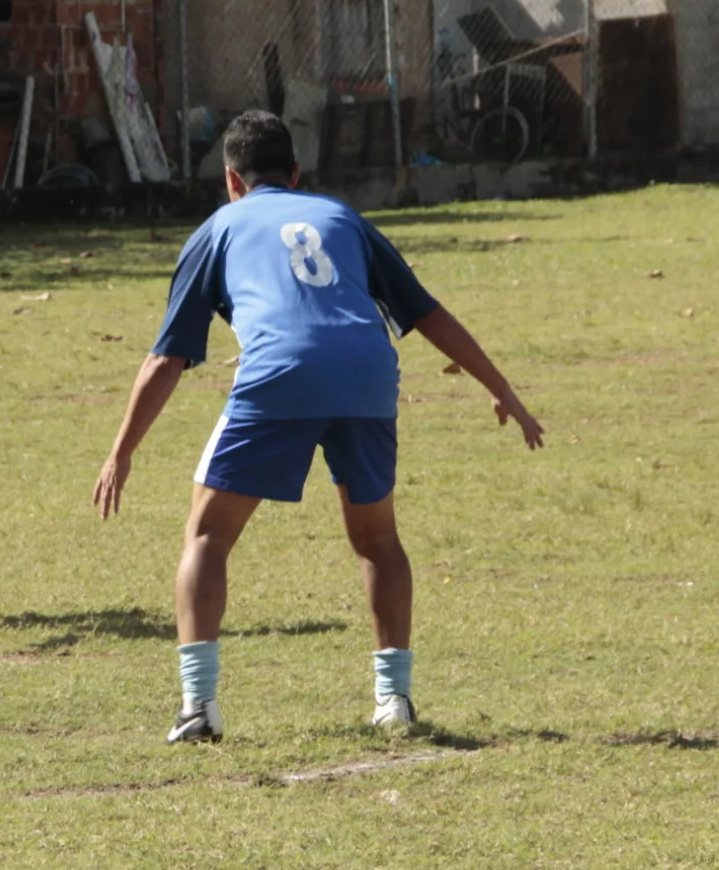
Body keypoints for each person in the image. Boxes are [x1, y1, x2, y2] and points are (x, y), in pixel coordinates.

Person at [94, 110, 543, 741]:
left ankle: (198, 708)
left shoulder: (220, 227)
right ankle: (395, 701)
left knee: (207, 535)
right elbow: (427, 312)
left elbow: (169, 357)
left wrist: (121, 450)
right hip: (367, 370)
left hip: (280, 370)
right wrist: (502, 390)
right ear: (297, 174)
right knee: (376, 538)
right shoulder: (343, 219)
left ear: (231, 180)